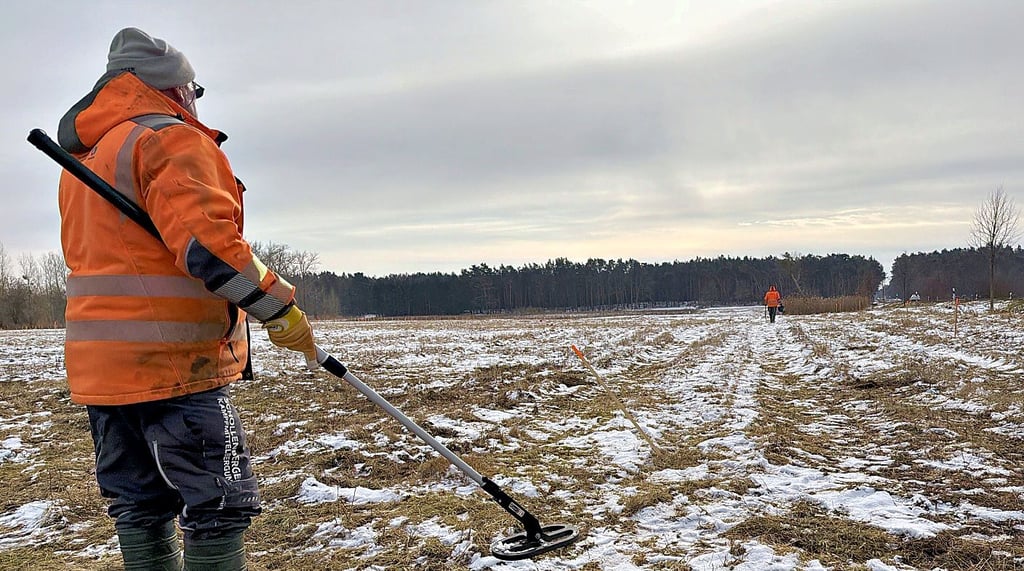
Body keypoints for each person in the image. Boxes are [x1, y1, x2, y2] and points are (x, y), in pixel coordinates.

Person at [56, 28, 318, 570]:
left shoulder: (91, 156)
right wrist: (278, 308)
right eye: (194, 90)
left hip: (102, 370)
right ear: (176, 88)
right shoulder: (168, 139)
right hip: (174, 366)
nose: (195, 100)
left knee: (139, 506)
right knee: (219, 504)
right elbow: (212, 248)